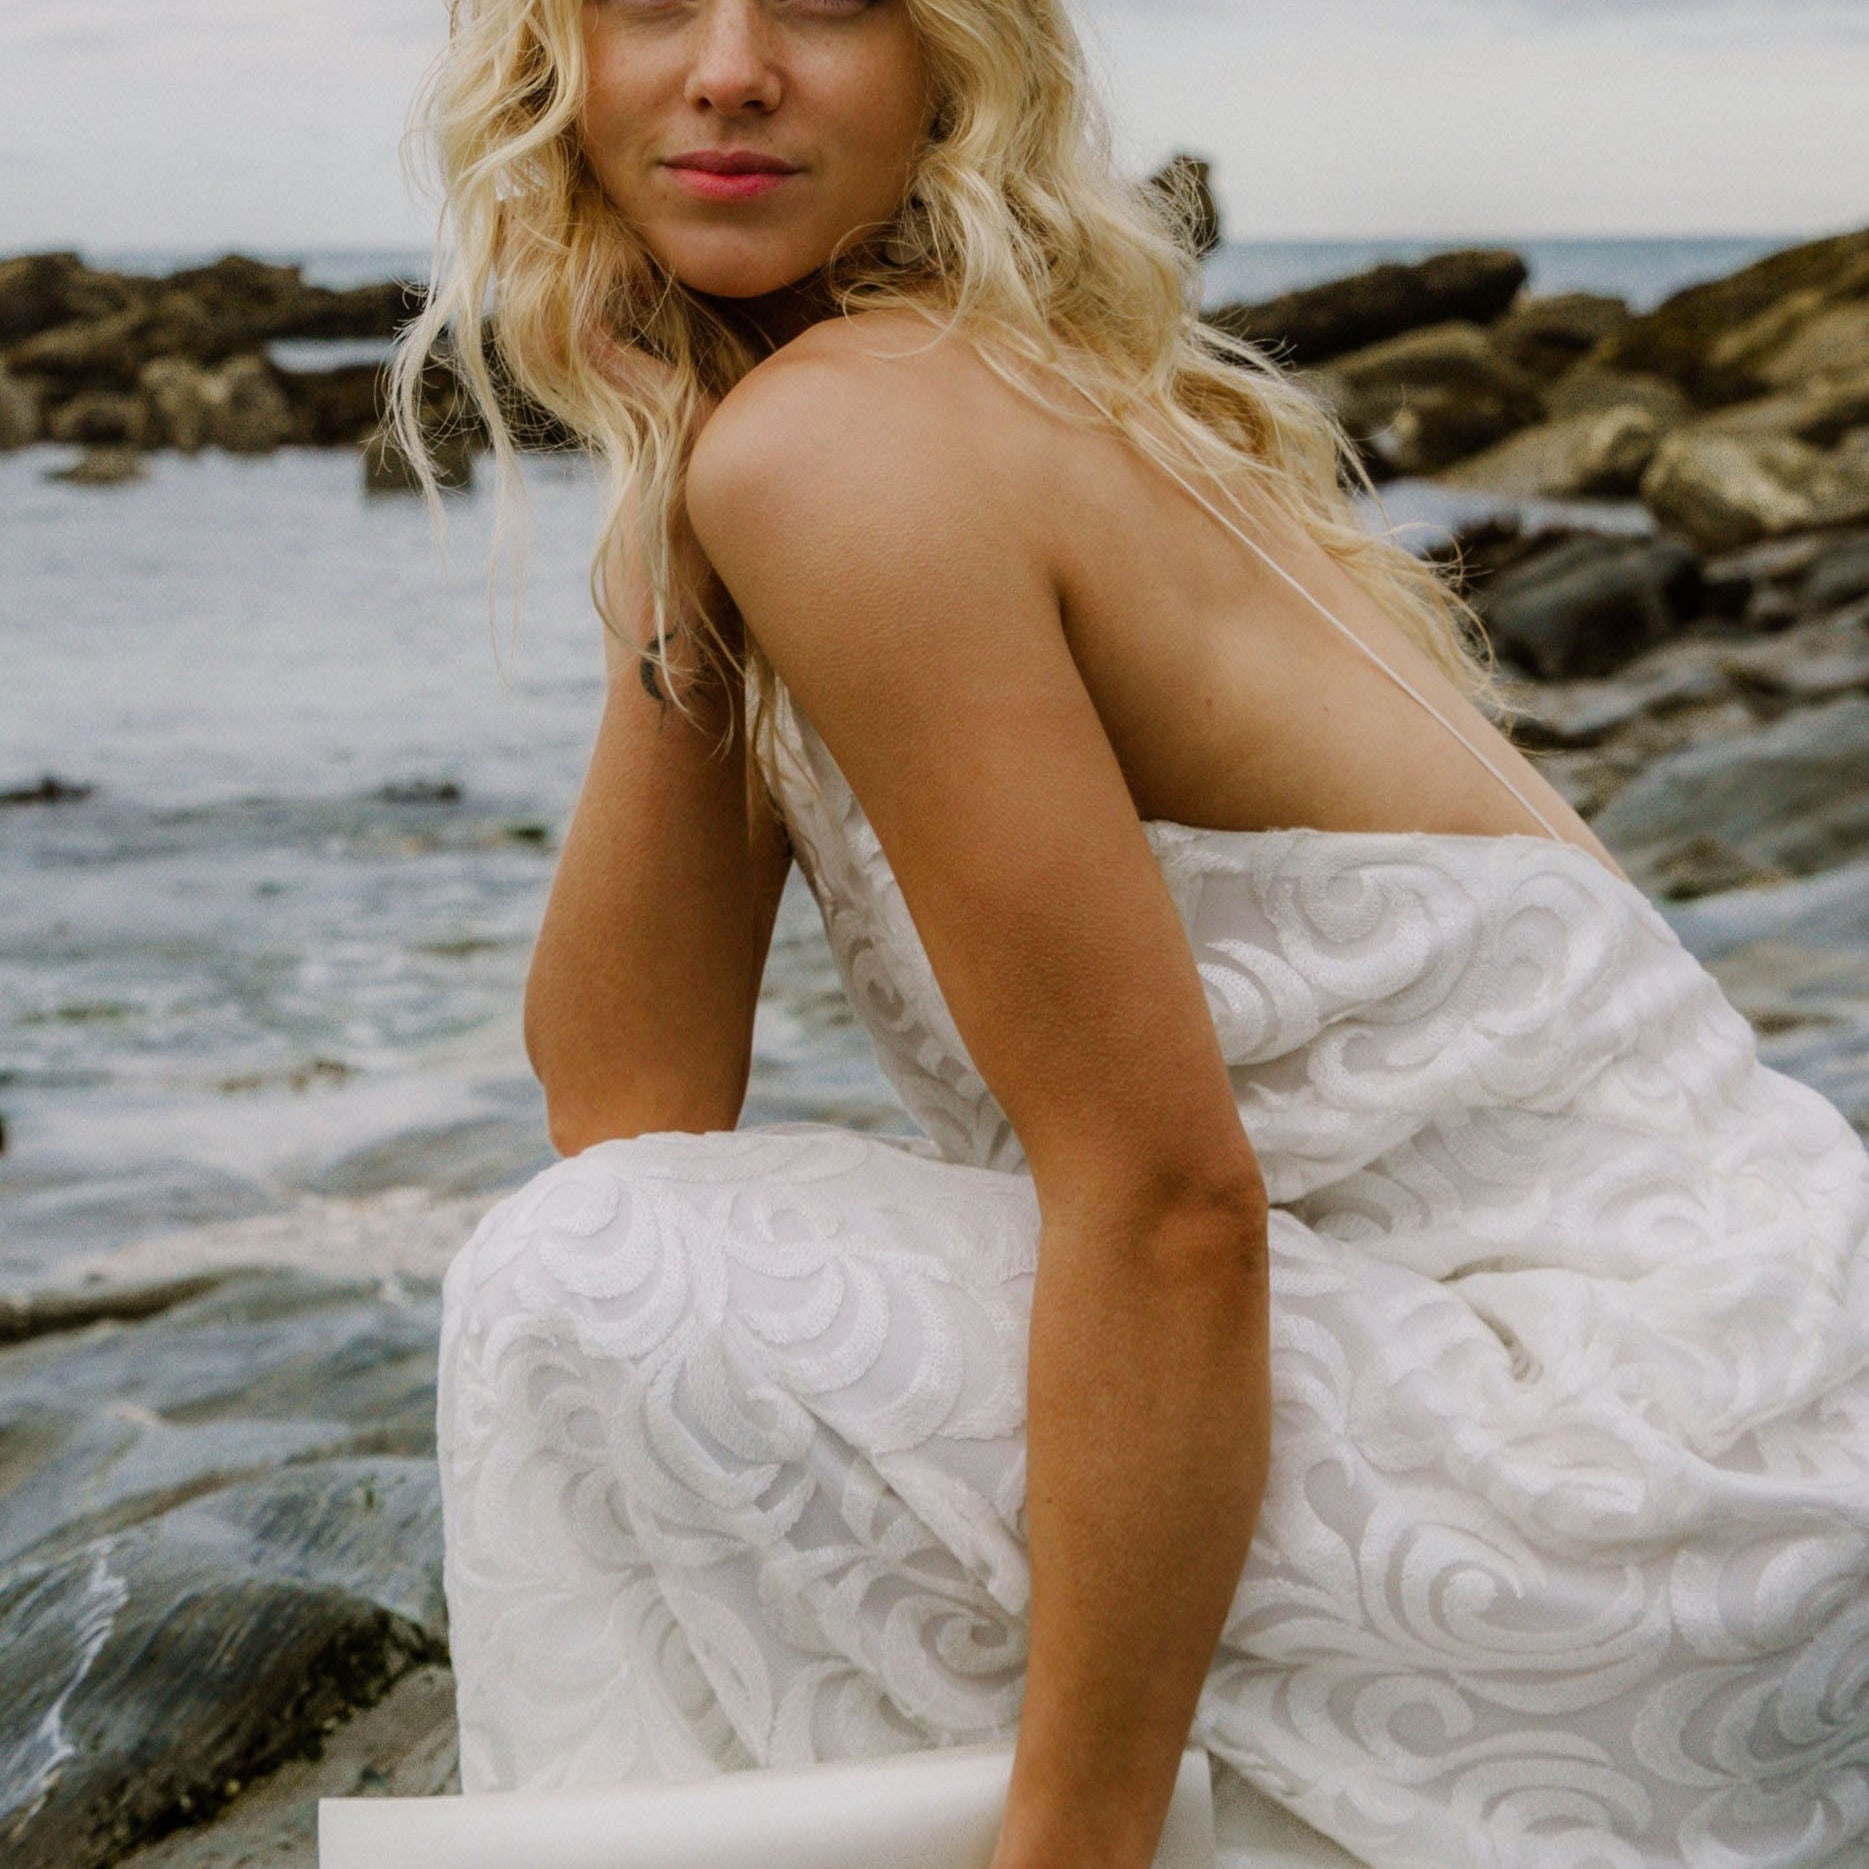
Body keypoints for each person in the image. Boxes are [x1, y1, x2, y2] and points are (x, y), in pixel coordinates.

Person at [395, 2, 1869, 1864]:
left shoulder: (854, 442)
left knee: (583, 1279)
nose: (732, 67)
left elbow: (1171, 1210)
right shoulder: (907, 404)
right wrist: (668, 522)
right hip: (1777, 1446)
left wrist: (1068, 1850)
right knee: (613, 1237)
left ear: (945, 58)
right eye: (654, 2)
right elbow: (628, 1083)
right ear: (554, 63)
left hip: (1625, 1466)